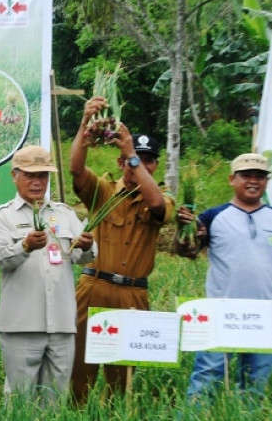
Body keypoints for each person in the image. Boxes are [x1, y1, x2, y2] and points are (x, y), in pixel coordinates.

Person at [68, 97, 175, 403]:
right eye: (132, 158)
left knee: (121, 382)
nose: (138, 163)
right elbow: (76, 170)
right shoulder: (103, 190)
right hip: (93, 288)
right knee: (79, 375)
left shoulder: (161, 197)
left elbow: (157, 206)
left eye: (147, 159)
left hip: (132, 296)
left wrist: (131, 154)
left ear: (154, 165)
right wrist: (84, 125)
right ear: (118, 163)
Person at [0, 145, 95, 406]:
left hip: (61, 325)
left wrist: (88, 245)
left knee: (54, 402)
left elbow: (86, 258)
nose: (38, 182)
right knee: (19, 402)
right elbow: (0, 257)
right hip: (22, 327)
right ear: (15, 175)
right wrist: (24, 246)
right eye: (30, 175)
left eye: (43, 176)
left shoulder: (65, 214)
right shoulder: (3, 217)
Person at [176, 153, 272, 400]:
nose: (253, 181)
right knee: (206, 376)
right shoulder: (212, 217)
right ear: (232, 179)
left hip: (264, 316)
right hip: (220, 313)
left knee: (255, 383)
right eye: (246, 175)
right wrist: (184, 230)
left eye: (260, 176)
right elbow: (187, 250)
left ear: (266, 181)